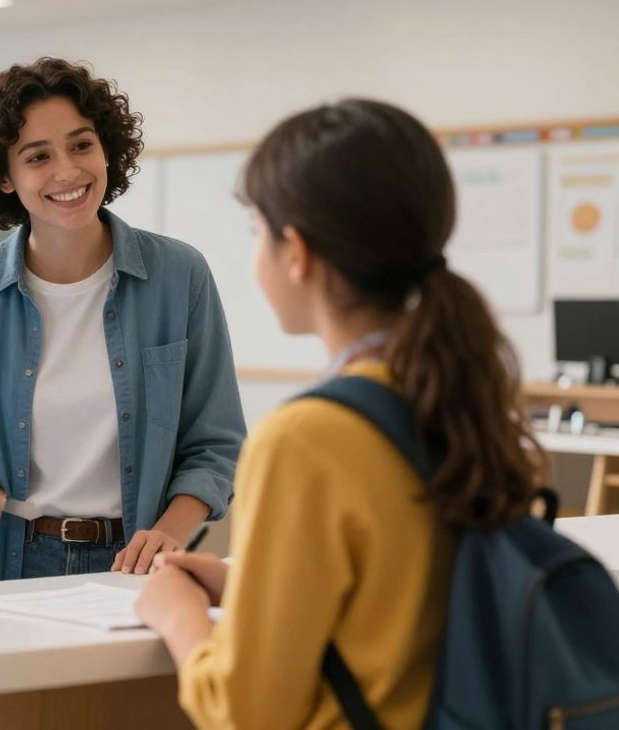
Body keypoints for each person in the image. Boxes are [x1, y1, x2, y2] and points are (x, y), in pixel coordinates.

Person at [135, 99, 544, 728]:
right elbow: (401, 604)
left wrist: (175, 613)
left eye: (256, 233)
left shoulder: (306, 438)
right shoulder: (458, 391)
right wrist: (246, 587)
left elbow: (247, 712)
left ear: (294, 251)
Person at [0, 57, 245, 581]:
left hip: (142, 561)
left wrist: (170, 532)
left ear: (107, 148)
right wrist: (22, 514)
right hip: (7, 562)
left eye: (81, 144)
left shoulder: (179, 275)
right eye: (38, 156)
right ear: (4, 176)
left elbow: (215, 443)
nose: (68, 171)